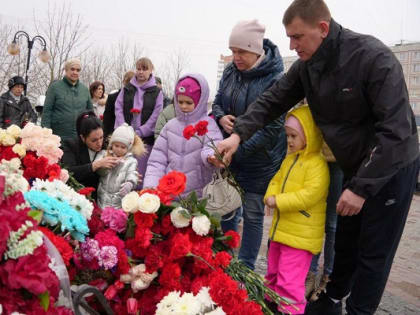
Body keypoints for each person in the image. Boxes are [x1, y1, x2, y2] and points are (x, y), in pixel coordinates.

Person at [217, 1, 419, 314]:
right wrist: (237, 134)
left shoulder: (372, 58)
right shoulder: (307, 66)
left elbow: (397, 131)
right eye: (289, 37)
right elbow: (273, 100)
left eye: (297, 37)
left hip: (390, 168)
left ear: (322, 29)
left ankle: (359, 310)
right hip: (355, 165)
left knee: (373, 252)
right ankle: (332, 299)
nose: (291, 45)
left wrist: (361, 188)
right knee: (347, 242)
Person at [212, 19, 287, 270]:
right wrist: (221, 116)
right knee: (228, 209)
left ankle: (245, 269)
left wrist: (238, 150)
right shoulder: (231, 71)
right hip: (231, 156)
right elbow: (218, 102)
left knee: (253, 214)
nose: (236, 58)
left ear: (256, 50)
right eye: (233, 51)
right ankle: (226, 261)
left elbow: (272, 128)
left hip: (260, 160)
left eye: (241, 52)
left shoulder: (275, 78)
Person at [264, 105, 329, 314]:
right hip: (281, 232)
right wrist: (269, 196)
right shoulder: (290, 159)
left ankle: (290, 310)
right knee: (273, 274)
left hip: (300, 236)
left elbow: (309, 195)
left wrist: (279, 201)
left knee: (289, 281)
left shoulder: (317, 164)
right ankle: (270, 306)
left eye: (294, 136)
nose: (289, 141)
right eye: (287, 136)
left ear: (309, 135)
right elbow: (276, 180)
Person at [144, 74, 222, 197]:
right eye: (180, 102)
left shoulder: (208, 125)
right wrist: (151, 186)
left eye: (188, 102)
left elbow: (212, 144)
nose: (183, 106)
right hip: (170, 194)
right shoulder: (169, 127)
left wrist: (211, 156)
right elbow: (157, 160)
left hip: (198, 195)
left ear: (200, 101)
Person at [114, 57, 163, 189]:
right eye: (139, 69)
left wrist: (142, 131)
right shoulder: (127, 88)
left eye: (144, 69)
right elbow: (118, 107)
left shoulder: (157, 92)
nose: (141, 72)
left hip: (145, 140)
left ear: (151, 70)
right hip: (125, 138)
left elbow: (157, 114)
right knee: (122, 172)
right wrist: (124, 128)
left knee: (139, 174)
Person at [305, 143, 343, 302]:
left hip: (339, 157)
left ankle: (328, 276)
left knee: (332, 224)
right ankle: (311, 274)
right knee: (315, 218)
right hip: (315, 154)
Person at [61, 111, 120, 200]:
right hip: (76, 196)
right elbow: (69, 172)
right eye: (94, 140)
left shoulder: (107, 145)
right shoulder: (71, 146)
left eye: (101, 137)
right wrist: (95, 165)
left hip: (101, 196)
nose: (99, 143)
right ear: (82, 138)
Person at [42, 59, 93, 140]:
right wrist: (46, 135)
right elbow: (46, 112)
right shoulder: (54, 87)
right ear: (66, 70)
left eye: (78, 70)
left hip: (79, 137)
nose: (75, 72)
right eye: (72, 69)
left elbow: (91, 113)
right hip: (58, 137)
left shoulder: (84, 89)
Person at [97, 123, 145, 209]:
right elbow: (98, 169)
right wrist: (105, 165)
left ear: (128, 148)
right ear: (111, 144)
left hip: (118, 203)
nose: (119, 149)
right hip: (102, 199)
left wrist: (130, 183)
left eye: (123, 147)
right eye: (116, 146)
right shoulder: (104, 154)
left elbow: (133, 173)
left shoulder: (130, 161)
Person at [103, 71, 135, 140]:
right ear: (123, 82)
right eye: (127, 81)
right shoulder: (113, 97)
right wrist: (106, 136)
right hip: (114, 133)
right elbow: (107, 119)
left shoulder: (138, 99)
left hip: (132, 134)